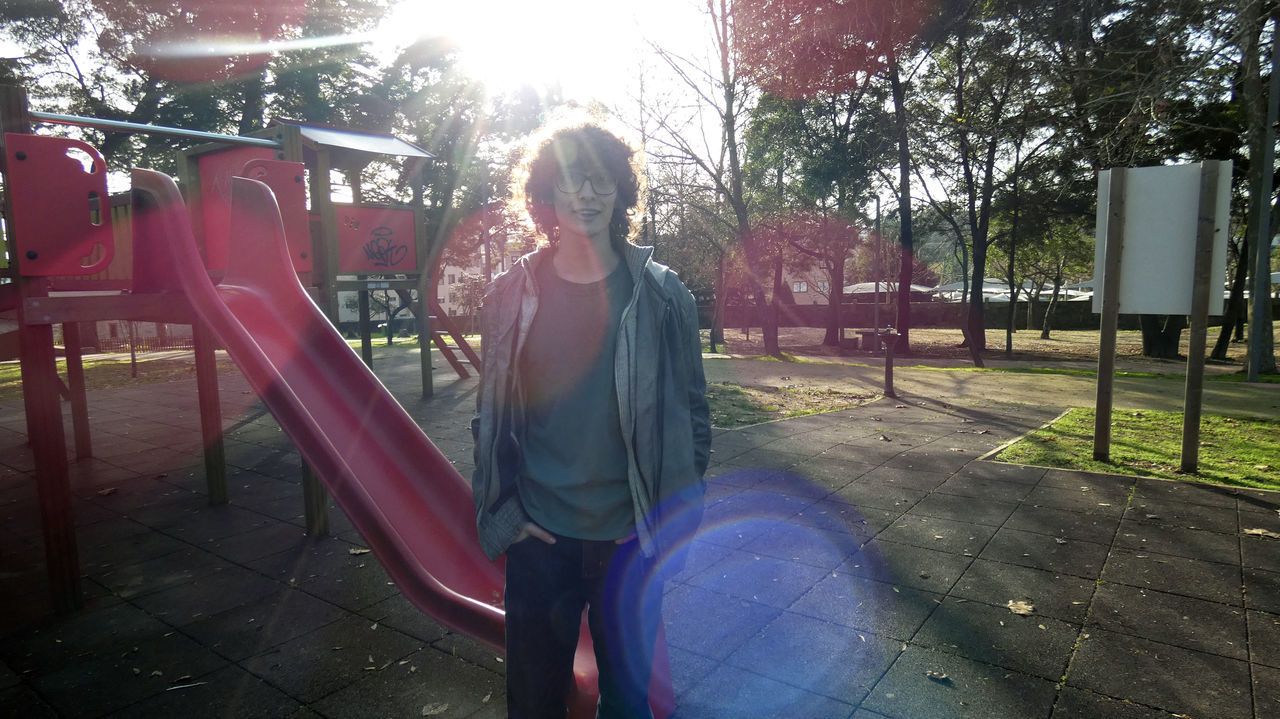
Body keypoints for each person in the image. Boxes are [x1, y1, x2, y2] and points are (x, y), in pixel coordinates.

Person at [470, 118, 710, 719]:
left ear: (622, 191)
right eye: (571, 178)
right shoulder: (509, 296)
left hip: (628, 540)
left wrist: (665, 515)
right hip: (539, 538)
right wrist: (504, 516)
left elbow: (694, 417)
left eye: (601, 179)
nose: (587, 192)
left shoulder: (662, 296)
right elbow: (491, 417)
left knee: (630, 703)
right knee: (534, 703)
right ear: (546, 195)